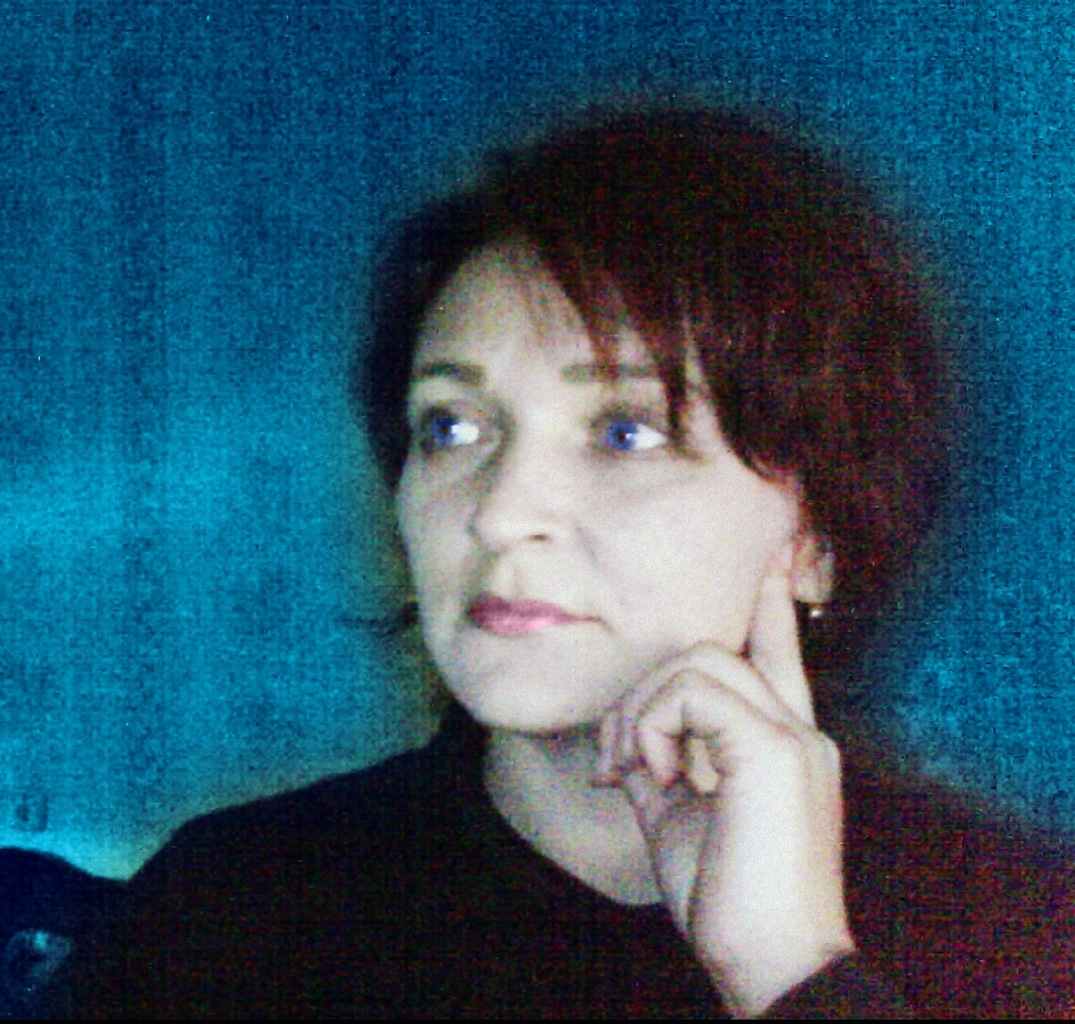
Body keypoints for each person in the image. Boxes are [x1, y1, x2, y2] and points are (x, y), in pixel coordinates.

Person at [44, 108, 1072, 1018]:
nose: (498, 512)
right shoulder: (229, 913)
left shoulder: (1013, 925)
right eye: (450, 426)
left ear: (816, 537)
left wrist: (792, 973)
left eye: (624, 432)